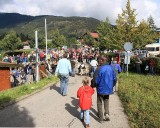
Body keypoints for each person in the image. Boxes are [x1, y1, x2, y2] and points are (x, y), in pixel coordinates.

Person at [95, 55, 117, 123]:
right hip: (108, 88)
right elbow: (115, 78)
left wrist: (95, 84)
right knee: (106, 100)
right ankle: (107, 114)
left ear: (102, 60)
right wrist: (111, 85)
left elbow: (97, 80)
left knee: (99, 102)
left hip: (101, 88)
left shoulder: (100, 68)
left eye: (100, 60)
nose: (99, 61)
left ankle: (101, 118)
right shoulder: (112, 68)